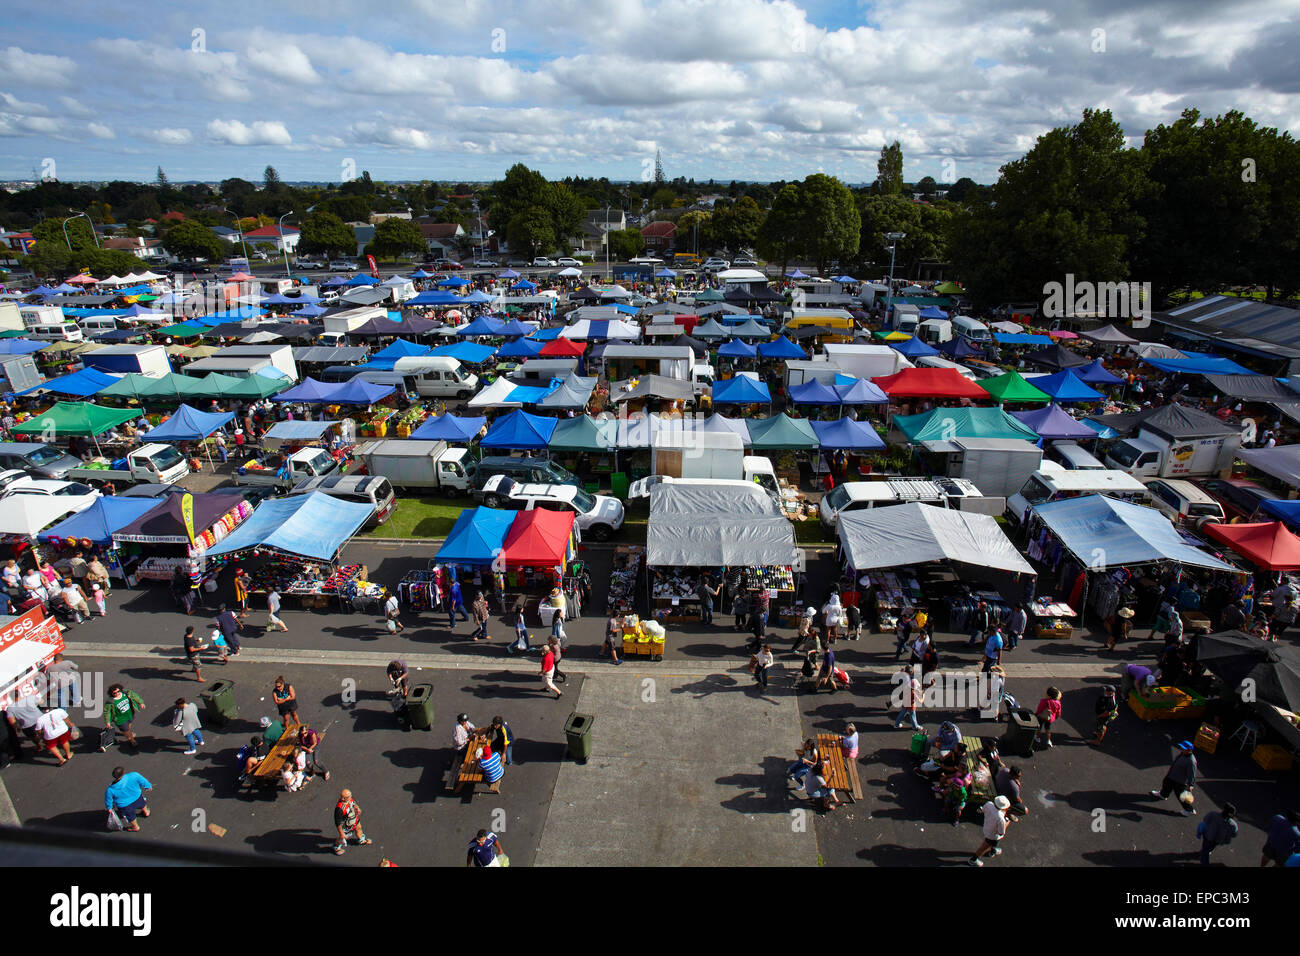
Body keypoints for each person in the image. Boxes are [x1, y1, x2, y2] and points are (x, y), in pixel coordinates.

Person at [1149, 740, 1199, 815]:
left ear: (1188, 750)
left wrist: (1190, 784)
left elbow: (1192, 774)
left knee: (1180, 796)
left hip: (1179, 781)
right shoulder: (1183, 754)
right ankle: (1163, 795)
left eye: (1183, 748)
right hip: (1172, 776)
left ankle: (1189, 810)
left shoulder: (1191, 761)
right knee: (1166, 784)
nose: (1181, 748)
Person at [969, 795, 1014, 866]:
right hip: (993, 836)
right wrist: (1007, 823)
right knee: (984, 847)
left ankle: (993, 850)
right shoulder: (1000, 819)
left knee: (992, 844)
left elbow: (981, 810)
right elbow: (1001, 832)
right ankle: (973, 860)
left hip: (986, 828)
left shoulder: (988, 804)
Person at [105, 767, 153, 831]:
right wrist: (148, 786)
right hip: (137, 797)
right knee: (142, 804)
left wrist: (109, 808)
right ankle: (146, 812)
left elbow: (108, 800)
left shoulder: (110, 790)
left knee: (131, 817)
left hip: (125, 805)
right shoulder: (134, 775)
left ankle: (135, 827)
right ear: (123, 772)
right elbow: (143, 780)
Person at [103, 684, 144, 750]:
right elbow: (107, 712)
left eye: (118, 691)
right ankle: (132, 741)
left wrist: (141, 702)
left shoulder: (126, 693)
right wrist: (107, 722)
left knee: (128, 727)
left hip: (129, 715)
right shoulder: (110, 701)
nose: (117, 693)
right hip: (120, 720)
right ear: (111, 693)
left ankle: (128, 733)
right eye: (114, 693)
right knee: (126, 730)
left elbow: (135, 696)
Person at [333, 789, 372, 855]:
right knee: (342, 837)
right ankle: (336, 846)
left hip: (354, 819)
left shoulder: (349, 799)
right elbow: (338, 822)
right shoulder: (339, 809)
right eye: (349, 796)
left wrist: (357, 808)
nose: (351, 797)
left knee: (359, 828)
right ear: (343, 798)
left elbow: (353, 803)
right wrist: (341, 833)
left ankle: (361, 839)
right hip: (346, 825)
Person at [894, 664, 924, 731]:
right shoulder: (913, 692)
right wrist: (923, 694)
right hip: (910, 703)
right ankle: (915, 726)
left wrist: (918, 691)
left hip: (905, 700)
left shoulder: (906, 683)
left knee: (902, 713)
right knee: (913, 715)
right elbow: (920, 701)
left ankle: (896, 724)